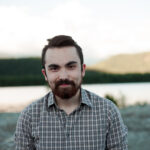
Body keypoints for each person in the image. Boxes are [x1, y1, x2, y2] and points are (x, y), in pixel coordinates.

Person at [15, 35, 128, 150]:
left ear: (82, 70)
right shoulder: (29, 116)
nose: (63, 76)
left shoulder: (108, 112)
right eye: (54, 68)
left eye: (71, 66)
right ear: (45, 74)